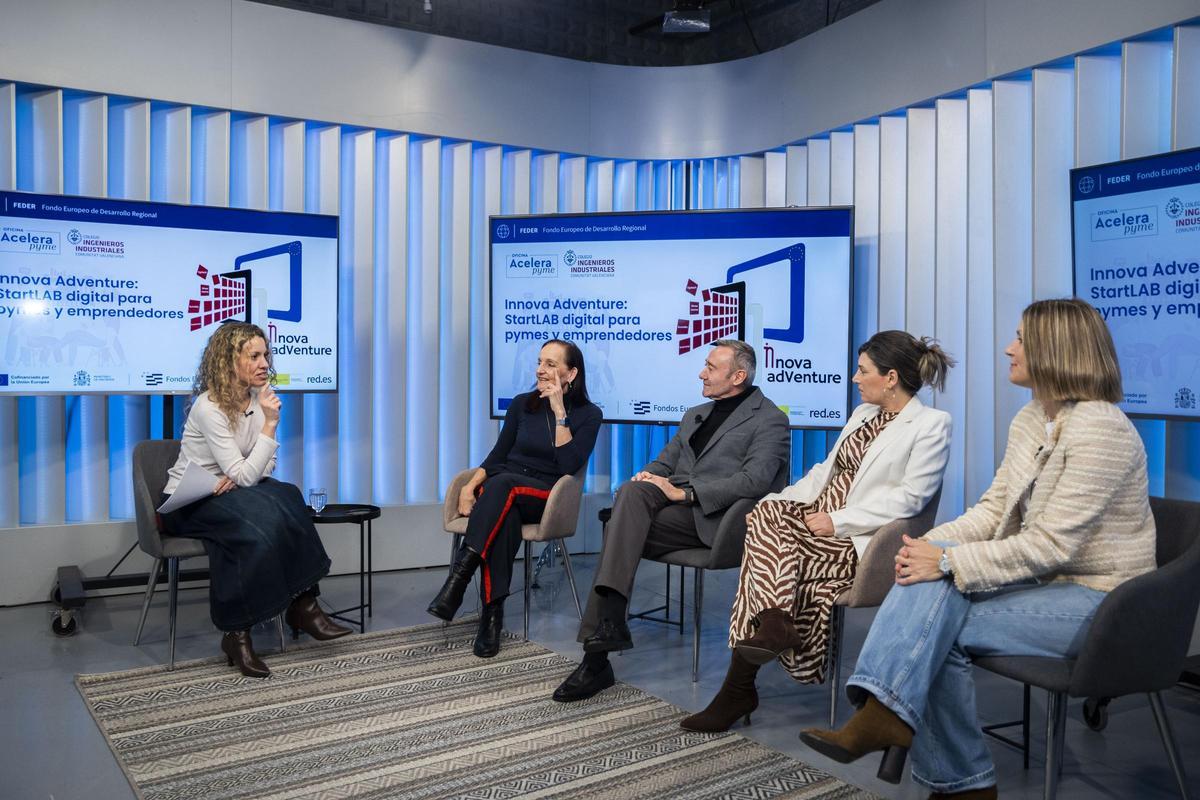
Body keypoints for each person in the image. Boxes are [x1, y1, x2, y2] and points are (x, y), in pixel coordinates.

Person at [798, 299, 1156, 799]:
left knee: (938, 624)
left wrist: (944, 560)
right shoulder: (1034, 417)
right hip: (1044, 585)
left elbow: (1051, 545)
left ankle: (931, 757)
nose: (1009, 348)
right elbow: (992, 512)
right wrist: (925, 544)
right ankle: (908, 738)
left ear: (1055, 350)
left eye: (1021, 340)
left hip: (1104, 600)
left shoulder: (1101, 429)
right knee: (927, 581)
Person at [681, 331, 954, 733]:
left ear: (891, 377)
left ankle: (741, 684)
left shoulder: (931, 424)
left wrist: (837, 521)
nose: (854, 379)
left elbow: (912, 500)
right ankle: (774, 623)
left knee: (764, 554)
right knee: (761, 516)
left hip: (855, 538)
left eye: (863, 371)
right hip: (814, 518)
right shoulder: (863, 416)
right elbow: (825, 472)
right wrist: (781, 501)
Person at [552, 340, 791, 703]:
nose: (701, 372)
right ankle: (604, 636)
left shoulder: (770, 418)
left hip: (717, 519)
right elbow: (664, 465)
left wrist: (688, 494)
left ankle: (599, 654)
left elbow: (755, 481)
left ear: (738, 376)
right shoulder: (696, 413)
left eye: (711, 367)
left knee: (619, 528)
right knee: (631, 494)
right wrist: (644, 477)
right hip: (670, 512)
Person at [161, 321, 350, 679]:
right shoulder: (209, 406)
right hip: (188, 501)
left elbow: (264, 467)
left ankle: (303, 603)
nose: (265, 363)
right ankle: (241, 630)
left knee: (288, 494)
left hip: (228, 493)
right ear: (229, 361)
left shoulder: (257, 399)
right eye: (254, 356)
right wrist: (269, 426)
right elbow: (249, 473)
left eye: (266, 355)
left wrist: (241, 470)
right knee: (253, 526)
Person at [428, 339, 602, 657]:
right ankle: (490, 619)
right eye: (539, 362)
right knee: (504, 511)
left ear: (571, 373)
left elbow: (568, 466)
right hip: (504, 491)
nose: (540, 369)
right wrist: (468, 488)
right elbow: (498, 457)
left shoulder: (589, 414)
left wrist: (560, 412)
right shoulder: (522, 404)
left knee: (503, 486)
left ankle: (460, 576)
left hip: (545, 495)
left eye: (551, 364)